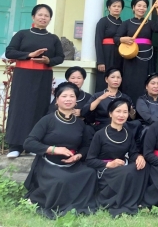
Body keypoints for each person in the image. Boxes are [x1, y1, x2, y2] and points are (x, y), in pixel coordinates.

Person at [23, 82, 97, 219]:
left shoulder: (80, 124)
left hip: (71, 163)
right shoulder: (47, 120)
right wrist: (53, 149)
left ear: (76, 100)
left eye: (72, 96)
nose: (68, 99)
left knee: (90, 173)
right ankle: (40, 199)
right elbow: (29, 143)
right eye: (64, 96)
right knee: (62, 179)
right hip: (48, 163)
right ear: (57, 100)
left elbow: (86, 146)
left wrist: (78, 156)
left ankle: (77, 205)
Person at [5, 4, 65, 158]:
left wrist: (48, 59)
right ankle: (15, 146)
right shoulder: (22, 34)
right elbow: (10, 51)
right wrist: (29, 54)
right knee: (20, 107)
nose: (43, 18)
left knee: (38, 108)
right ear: (33, 17)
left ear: (50, 19)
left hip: (43, 76)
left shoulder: (53, 38)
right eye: (40, 14)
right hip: (23, 75)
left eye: (46, 16)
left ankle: (33, 145)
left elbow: (60, 57)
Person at [86, 98, 148, 217]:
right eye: (118, 111)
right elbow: (90, 160)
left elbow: (133, 153)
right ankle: (119, 201)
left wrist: (139, 157)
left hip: (121, 168)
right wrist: (108, 164)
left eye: (125, 112)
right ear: (110, 113)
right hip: (106, 170)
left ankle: (133, 200)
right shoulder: (100, 134)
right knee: (129, 171)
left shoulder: (128, 133)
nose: (121, 115)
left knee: (142, 167)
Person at [114, 0, 158, 102]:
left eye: (144, 6)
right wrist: (124, 39)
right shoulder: (126, 23)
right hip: (131, 57)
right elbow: (116, 38)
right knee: (130, 81)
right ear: (133, 8)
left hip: (146, 56)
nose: (142, 8)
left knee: (145, 81)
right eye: (139, 6)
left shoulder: (149, 23)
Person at [95, 0, 124, 92]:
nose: (116, 8)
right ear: (109, 8)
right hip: (106, 53)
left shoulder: (123, 23)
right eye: (114, 6)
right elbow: (98, 40)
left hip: (119, 54)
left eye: (119, 6)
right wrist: (100, 61)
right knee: (104, 79)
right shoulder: (103, 21)